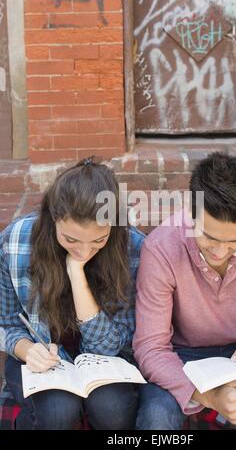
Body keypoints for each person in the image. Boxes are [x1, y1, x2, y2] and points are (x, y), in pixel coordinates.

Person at [133, 152, 236, 430]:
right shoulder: (161, 247)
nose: (220, 252)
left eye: (235, 240)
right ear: (192, 211)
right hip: (185, 359)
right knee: (157, 416)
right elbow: (151, 348)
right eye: (208, 236)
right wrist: (209, 396)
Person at [0, 157, 145, 430]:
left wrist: (76, 274)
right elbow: (6, 322)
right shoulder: (16, 240)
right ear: (53, 218)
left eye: (98, 241)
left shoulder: (133, 248)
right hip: (39, 363)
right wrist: (27, 349)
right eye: (71, 239)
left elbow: (107, 348)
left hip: (109, 363)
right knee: (58, 409)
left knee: (111, 409)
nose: (84, 251)